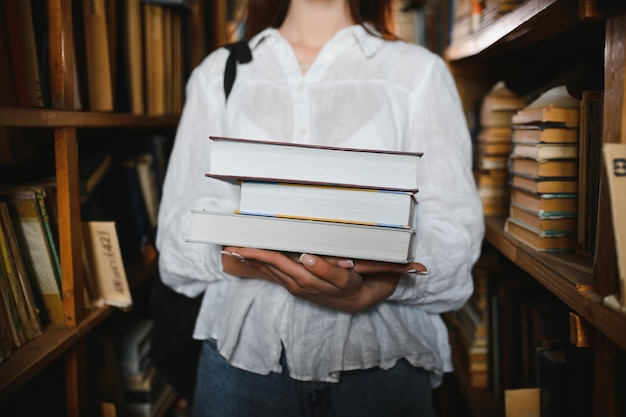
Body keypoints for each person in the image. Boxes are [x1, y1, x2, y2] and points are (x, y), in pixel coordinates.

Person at [156, 0, 485, 415]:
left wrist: (375, 288)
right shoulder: (218, 73)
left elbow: (454, 238)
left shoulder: (419, 71)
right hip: (240, 371)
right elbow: (176, 241)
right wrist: (270, 262)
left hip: (383, 376)